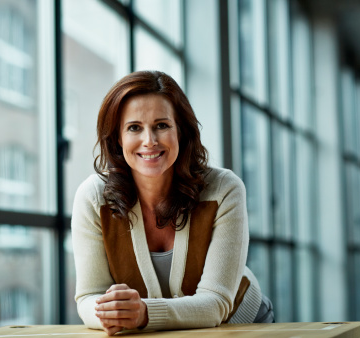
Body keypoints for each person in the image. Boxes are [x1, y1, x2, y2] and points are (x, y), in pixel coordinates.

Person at [71, 70, 274, 336]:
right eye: (134, 128)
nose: (149, 141)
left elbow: (216, 303)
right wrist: (111, 314)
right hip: (154, 331)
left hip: (241, 324)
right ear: (118, 139)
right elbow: (88, 297)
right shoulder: (93, 198)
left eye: (161, 125)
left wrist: (144, 313)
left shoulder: (224, 189)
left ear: (181, 131)